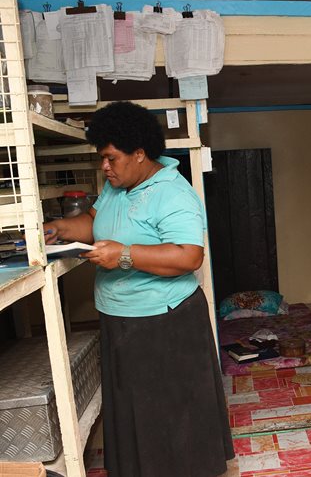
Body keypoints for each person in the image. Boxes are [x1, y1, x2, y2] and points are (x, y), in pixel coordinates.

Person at [44, 101, 234, 477]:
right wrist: (60, 229)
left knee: (173, 414)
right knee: (135, 411)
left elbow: (189, 255)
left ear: (140, 154)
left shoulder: (173, 193)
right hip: (120, 317)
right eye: (102, 158)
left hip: (165, 322)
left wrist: (125, 255)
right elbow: (94, 221)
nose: (105, 166)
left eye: (111, 158)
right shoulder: (116, 186)